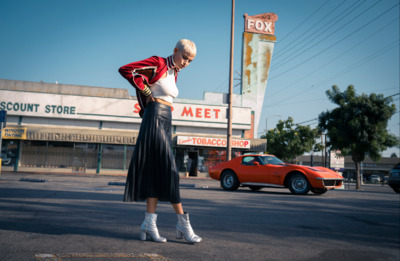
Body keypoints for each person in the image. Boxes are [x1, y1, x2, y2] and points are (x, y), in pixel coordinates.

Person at [119, 39, 201, 243]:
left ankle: (149, 223)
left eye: (190, 61)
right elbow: (126, 70)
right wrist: (146, 92)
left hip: (165, 119)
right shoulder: (159, 63)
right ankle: (183, 224)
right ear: (175, 51)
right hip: (154, 117)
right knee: (171, 171)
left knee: (156, 173)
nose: (186, 63)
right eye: (184, 57)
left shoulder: (175, 73)